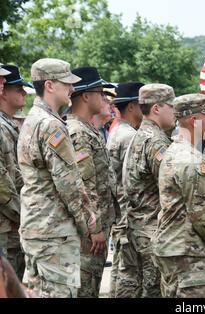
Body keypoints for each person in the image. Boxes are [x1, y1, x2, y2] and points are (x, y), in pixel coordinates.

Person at [17, 58, 103, 298]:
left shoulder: (31, 119)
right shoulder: (51, 125)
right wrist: (92, 226)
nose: (72, 89)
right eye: (67, 84)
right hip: (54, 230)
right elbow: (70, 185)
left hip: (36, 225)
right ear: (50, 85)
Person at [153, 94, 205, 298]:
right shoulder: (190, 159)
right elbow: (200, 212)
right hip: (186, 250)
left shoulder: (174, 151)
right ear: (194, 120)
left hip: (174, 246)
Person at [119, 84, 175, 298]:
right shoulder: (155, 140)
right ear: (157, 108)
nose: (175, 112)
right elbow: (171, 182)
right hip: (151, 230)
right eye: (171, 106)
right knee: (154, 291)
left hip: (136, 227)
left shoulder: (139, 134)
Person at [66, 66, 117, 297]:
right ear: (86, 95)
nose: (104, 98)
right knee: (83, 290)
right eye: (100, 92)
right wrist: (94, 227)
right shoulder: (78, 131)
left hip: (97, 229)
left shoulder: (89, 129)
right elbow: (84, 185)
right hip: (88, 234)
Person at [106, 82, 144, 297]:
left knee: (120, 272)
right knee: (129, 276)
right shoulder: (129, 136)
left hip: (120, 215)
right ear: (132, 106)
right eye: (142, 104)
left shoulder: (118, 131)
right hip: (128, 216)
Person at [0, 64, 31, 280]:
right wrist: (21, 213)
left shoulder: (8, 124)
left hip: (11, 224)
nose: (23, 93)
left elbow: (15, 171)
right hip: (7, 222)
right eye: (17, 88)